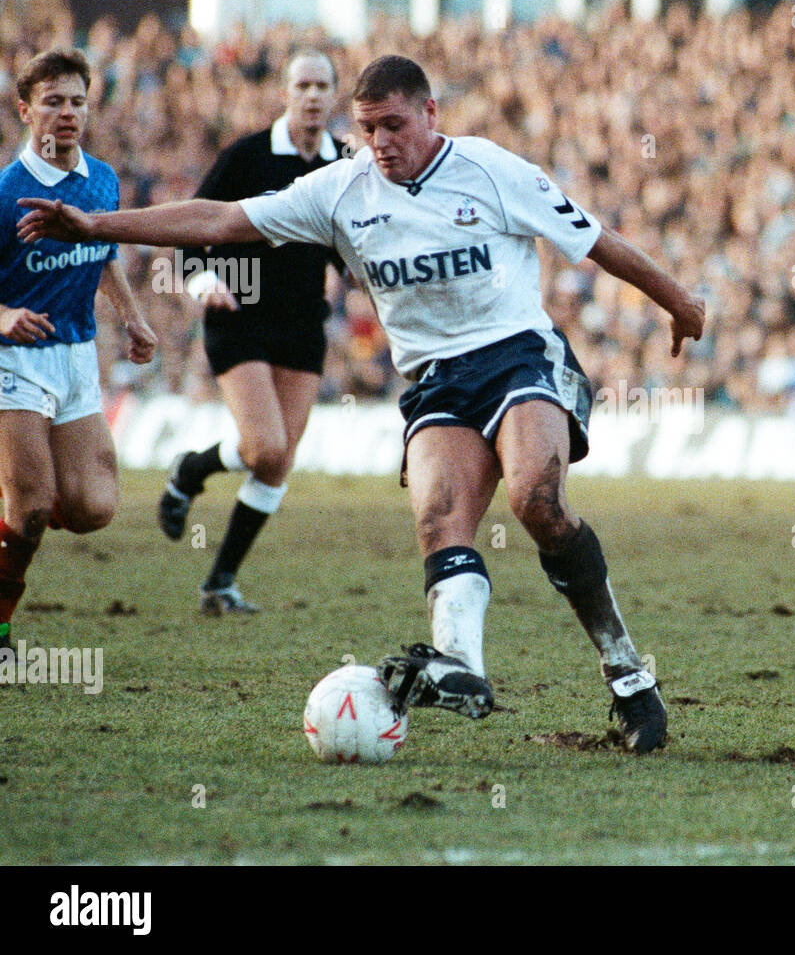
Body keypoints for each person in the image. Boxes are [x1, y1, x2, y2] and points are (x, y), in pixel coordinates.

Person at [18, 54, 705, 754]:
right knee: (440, 522)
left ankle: (627, 677)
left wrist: (680, 303)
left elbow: (597, 242)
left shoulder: (493, 170)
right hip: (436, 379)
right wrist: (98, 225)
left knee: (537, 500)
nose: (381, 142)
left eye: (395, 126)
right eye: (369, 128)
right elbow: (222, 219)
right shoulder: (341, 189)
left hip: (518, 354)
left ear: (431, 115)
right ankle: (462, 664)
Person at [158, 50, 344, 614]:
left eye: (322, 85)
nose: (312, 95)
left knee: (277, 460)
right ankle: (190, 470)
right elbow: (191, 223)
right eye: (302, 84)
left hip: (302, 325)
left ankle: (220, 583)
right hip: (240, 317)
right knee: (265, 444)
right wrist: (204, 279)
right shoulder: (247, 155)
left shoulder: (348, 163)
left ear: (335, 95)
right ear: (286, 92)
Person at [0, 48, 156, 656]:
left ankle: (15, 504)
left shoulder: (103, 180)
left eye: (78, 101)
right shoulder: (7, 191)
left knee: (92, 507)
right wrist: (5, 314)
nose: (68, 113)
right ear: (24, 109)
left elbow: (104, 253)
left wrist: (134, 316)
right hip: (15, 361)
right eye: (53, 101)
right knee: (34, 505)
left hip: (77, 359)